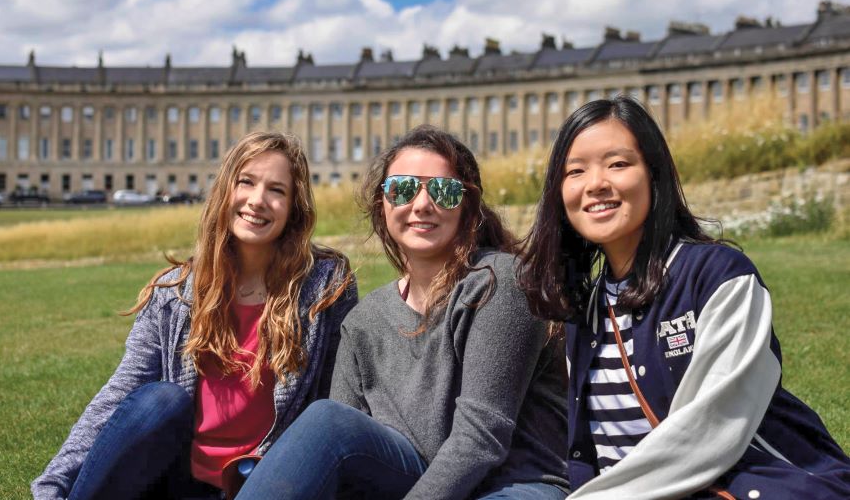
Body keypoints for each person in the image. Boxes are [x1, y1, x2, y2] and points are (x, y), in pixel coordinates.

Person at [518, 96, 850, 499]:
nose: (596, 183)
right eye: (575, 171)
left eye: (618, 164)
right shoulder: (584, 311)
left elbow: (709, 433)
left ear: (654, 175)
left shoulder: (720, 276)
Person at [236, 125, 569, 500]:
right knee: (326, 420)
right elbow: (342, 451)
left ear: (467, 206)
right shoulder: (363, 323)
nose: (422, 204)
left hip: (510, 485)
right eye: (403, 189)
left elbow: (481, 440)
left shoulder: (499, 283)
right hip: (413, 481)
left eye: (443, 191)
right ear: (383, 204)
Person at [32, 132, 357, 500]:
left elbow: (336, 402)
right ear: (224, 191)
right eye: (245, 182)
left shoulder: (325, 285)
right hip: (177, 478)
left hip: (262, 481)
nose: (257, 200)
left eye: (276, 190)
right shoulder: (175, 291)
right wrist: (53, 483)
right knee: (160, 400)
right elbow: (121, 392)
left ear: (294, 207)